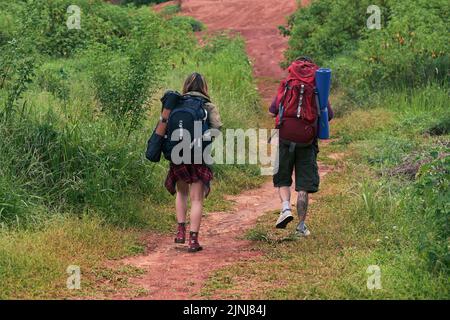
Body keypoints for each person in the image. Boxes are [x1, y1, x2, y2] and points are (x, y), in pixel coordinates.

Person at [155, 72, 222, 252]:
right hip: (198, 156)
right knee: (197, 199)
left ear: (186, 86)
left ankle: (179, 232)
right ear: (204, 87)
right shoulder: (207, 106)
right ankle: (193, 240)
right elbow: (217, 129)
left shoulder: (175, 104)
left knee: (181, 194)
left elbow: (165, 125)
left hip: (178, 155)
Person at [268, 56, 333, 237]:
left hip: (285, 136)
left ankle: (285, 208)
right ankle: (301, 225)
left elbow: (272, 110)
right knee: (303, 185)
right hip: (307, 140)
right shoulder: (318, 87)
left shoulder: (287, 83)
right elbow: (329, 115)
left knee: (282, 178)